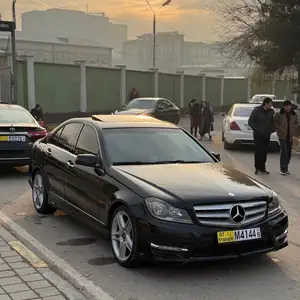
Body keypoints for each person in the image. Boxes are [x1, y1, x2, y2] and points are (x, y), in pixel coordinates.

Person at [248, 97, 274, 175]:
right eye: (270, 104)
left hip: (267, 134)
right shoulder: (256, 111)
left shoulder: (271, 111)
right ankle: (257, 167)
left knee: (264, 151)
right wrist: (256, 130)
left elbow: (272, 121)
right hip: (258, 135)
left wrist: (272, 129)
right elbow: (251, 121)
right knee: (258, 151)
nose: (271, 105)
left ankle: (263, 168)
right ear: (265, 103)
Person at [274, 100, 299, 175]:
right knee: (284, 151)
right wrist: (280, 129)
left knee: (289, 152)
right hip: (282, 135)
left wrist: (293, 127)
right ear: (284, 106)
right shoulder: (279, 114)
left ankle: (286, 167)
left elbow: (297, 123)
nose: (288, 108)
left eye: (289, 106)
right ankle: (282, 168)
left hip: (290, 136)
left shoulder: (294, 114)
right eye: (286, 106)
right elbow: (275, 123)